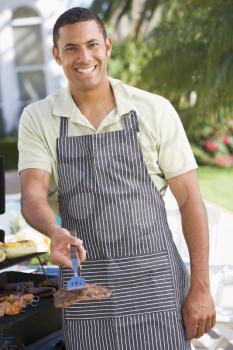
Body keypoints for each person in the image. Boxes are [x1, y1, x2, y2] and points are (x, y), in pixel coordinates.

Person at [18, 7, 216, 350]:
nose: (85, 57)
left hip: (155, 285)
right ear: (56, 55)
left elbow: (190, 200)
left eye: (92, 44)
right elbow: (32, 195)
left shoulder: (153, 110)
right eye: (71, 48)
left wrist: (200, 286)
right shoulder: (38, 118)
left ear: (108, 46)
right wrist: (54, 231)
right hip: (85, 287)